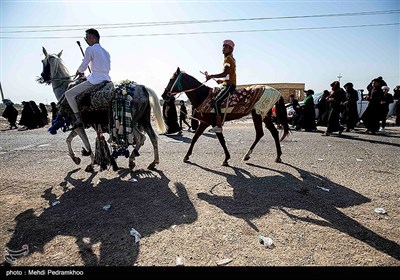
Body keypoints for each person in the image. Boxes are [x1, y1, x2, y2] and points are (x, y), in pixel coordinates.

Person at [65, 28, 111, 128]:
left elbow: (84, 64)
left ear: (93, 38)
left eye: (87, 38)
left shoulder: (90, 49)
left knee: (68, 94)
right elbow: (105, 68)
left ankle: (78, 119)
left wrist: (79, 71)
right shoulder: (106, 52)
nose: (86, 40)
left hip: (95, 80)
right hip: (107, 79)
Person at [204, 39, 236, 133]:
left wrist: (211, 76)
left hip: (229, 85)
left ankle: (219, 126)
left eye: (225, 47)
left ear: (230, 49)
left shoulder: (228, 59)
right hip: (227, 83)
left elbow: (224, 73)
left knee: (217, 101)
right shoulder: (229, 59)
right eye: (223, 46)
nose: (223, 48)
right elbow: (228, 75)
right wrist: (221, 81)